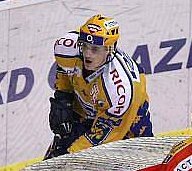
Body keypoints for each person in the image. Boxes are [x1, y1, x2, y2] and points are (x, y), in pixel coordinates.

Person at [45, 14, 153, 160]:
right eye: (85, 46)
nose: (88, 54)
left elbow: (102, 136)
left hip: (127, 122)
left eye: (95, 49)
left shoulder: (119, 90)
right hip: (86, 110)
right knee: (52, 162)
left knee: (139, 166)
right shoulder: (68, 47)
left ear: (109, 50)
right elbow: (65, 68)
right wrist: (63, 97)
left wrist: (70, 156)